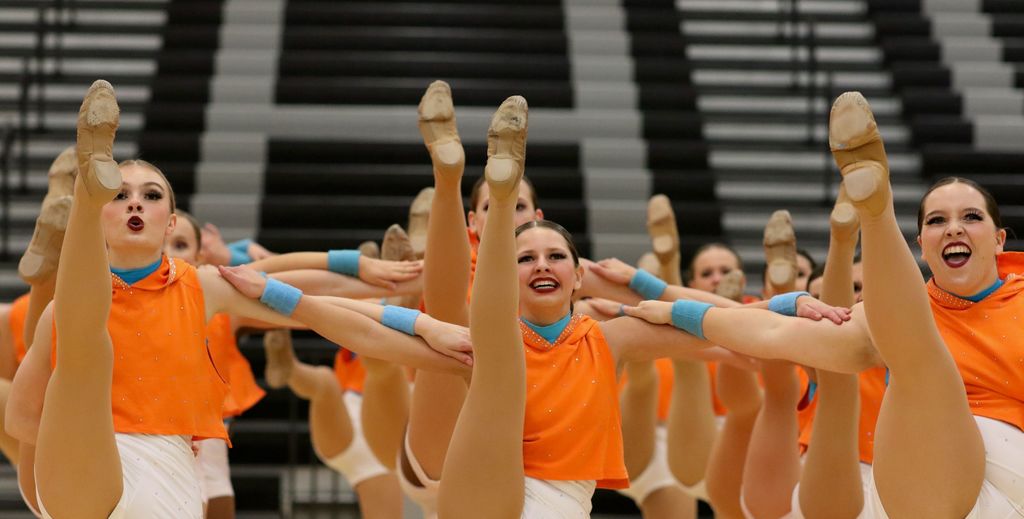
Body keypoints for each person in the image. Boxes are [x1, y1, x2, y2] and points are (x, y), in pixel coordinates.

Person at [625, 92, 1024, 518]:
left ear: (999, 240)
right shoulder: (883, 317)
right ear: (921, 247)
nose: (953, 229)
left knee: (907, 345)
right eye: (937, 221)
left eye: (971, 217)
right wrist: (675, 311)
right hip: (917, 482)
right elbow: (776, 333)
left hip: (1010, 458)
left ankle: (873, 213)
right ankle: (875, 215)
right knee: (903, 346)